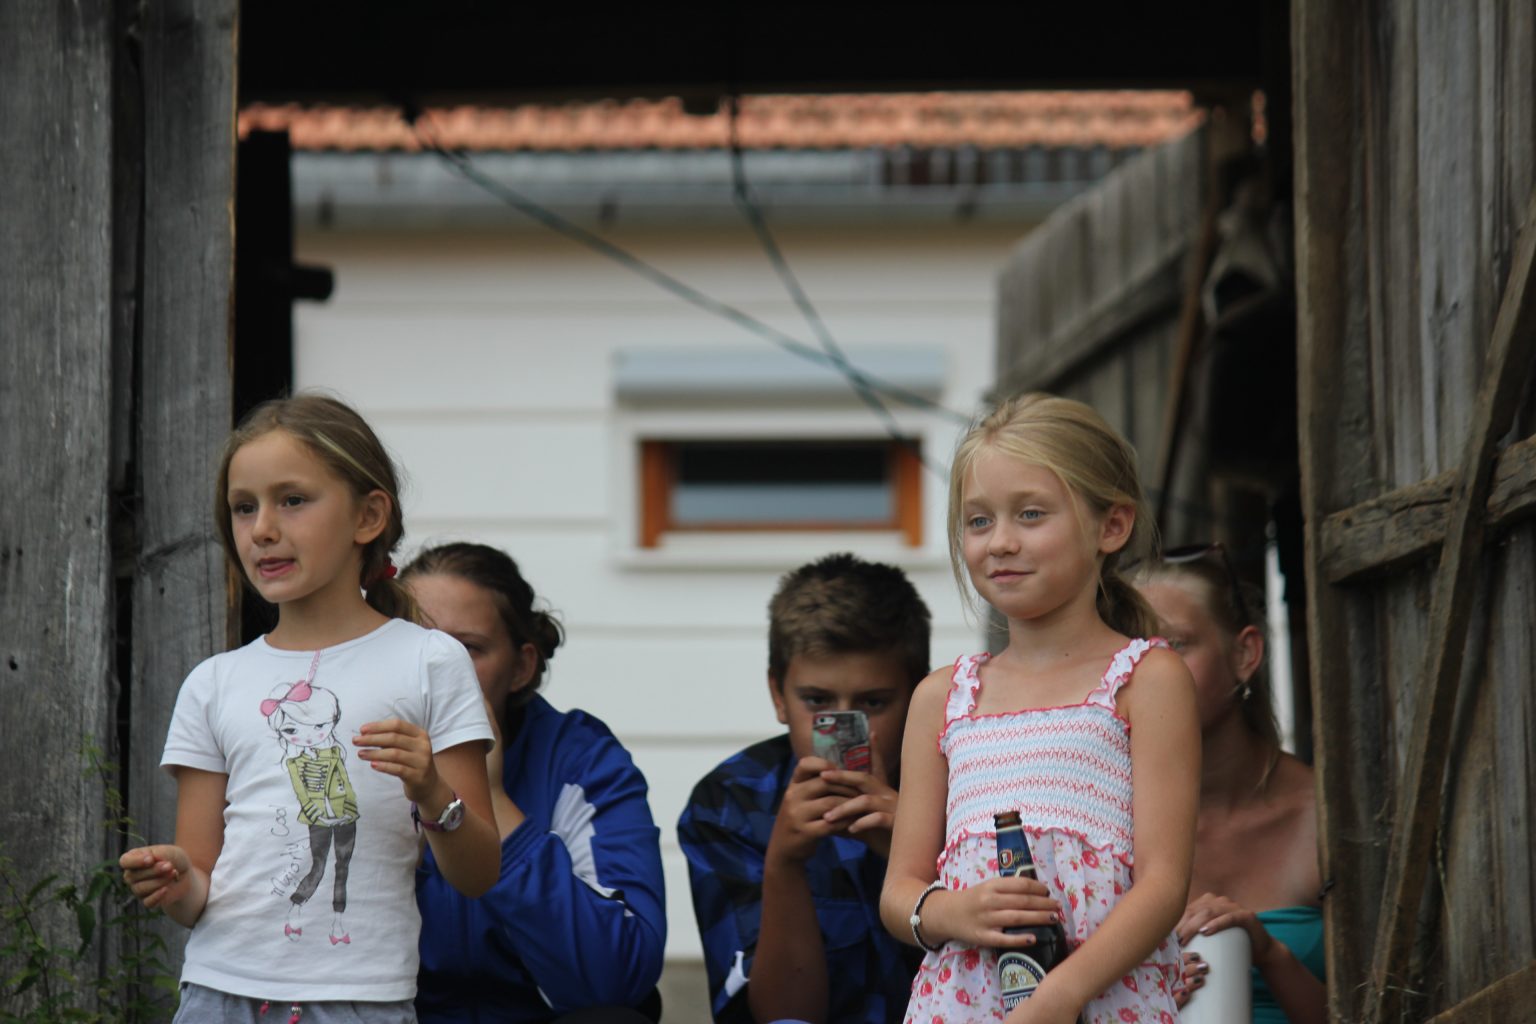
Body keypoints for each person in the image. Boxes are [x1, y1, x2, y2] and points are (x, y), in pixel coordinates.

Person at [120, 394, 500, 1022]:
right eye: (244, 507)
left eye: (292, 500)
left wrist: (432, 791)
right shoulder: (213, 683)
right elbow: (197, 893)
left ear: (368, 516)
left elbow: (478, 873)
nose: (262, 528)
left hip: (361, 999)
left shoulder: (430, 661)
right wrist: (175, 877)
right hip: (218, 995)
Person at [881, 393, 1200, 1024]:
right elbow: (898, 892)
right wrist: (951, 911)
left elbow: (1164, 884)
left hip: (1101, 1002)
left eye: (1030, 514)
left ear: (1112, 526)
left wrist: (1062, 994)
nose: (1000, 542)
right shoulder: (942, 698)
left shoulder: (1146, 679)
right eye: (978, 521)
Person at [402, 543, 666, 1024]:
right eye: (417, 645)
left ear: (521, 667)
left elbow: (618, 977)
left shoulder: (580, 760)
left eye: (467, 649)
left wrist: (491, 796)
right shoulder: (346, 751)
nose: (436, 672)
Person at [678, 553, 933, 1024]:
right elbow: (781, 1015)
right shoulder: (732, 802)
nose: (844, 728)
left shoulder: (965, 783)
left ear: (920, 696)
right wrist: (784, 865)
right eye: (817, 701)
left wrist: (916, 850)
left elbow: (1009, 974)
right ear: (778, 695)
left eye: (873, 702)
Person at [1134, 547, 1326, 1023]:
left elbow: (1389, 1005)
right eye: (1126, 650)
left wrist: (1270, 955)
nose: (1145, 670)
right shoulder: (1099, 827)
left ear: (1245, 654)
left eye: (1173, 644)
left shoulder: (1326, 817)